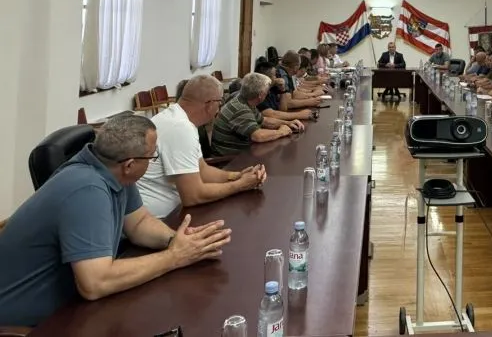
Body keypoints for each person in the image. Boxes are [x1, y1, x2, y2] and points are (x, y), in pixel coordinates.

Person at [0, 114, 231, 326]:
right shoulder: (86, 190)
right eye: (152, 157)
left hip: (71, 307)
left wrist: (176, 240)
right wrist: (174, 257)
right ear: (130, 164)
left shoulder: (111, 169)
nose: (153, 161)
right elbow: (95, 283)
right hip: (26, 324)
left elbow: (139, 223)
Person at [137, 75, 268, 218]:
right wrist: (240, 185)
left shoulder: (178, 118)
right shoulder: (180, 128)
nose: (219, 109)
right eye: (220, 103)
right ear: (210, 104)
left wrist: (237, 176)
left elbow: (202, 170)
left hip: (174, 209)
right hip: (163, 218)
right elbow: (193, 196)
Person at [211, 73, 300, 156]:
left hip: (239, 154)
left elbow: (264, 121)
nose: (268, 93)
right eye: (267, 92)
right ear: (260, 95)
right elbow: (258, 136)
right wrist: (281, 132)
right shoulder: (241, 109)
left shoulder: (244, 100)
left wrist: (288, 123)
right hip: (229, 160)